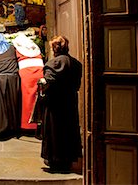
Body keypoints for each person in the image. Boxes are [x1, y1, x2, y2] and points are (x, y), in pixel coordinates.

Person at [38, 35, 82, 172]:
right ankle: (67, 160)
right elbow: (77, 84)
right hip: (70, 103)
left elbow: (47, 85)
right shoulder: (76, 63)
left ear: (54, 48)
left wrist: (42, 84)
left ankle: (54, 160)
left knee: (54, 132)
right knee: (68, 130)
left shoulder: (53, 64)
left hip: (54, 105)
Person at [0, 32, 21, 140]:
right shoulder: (11, 48)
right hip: (13, 79)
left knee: (0, 105)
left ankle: (0, 128)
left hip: (0, 79)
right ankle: (13, 127)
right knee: (12, 103)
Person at [12, 34, 44, 133]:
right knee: (38, 98)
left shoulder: (19, 50)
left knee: (27, 99)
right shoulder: (34, 48)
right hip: (39, 72)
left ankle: (27, 125)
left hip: (26, 74)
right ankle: (39, 123)